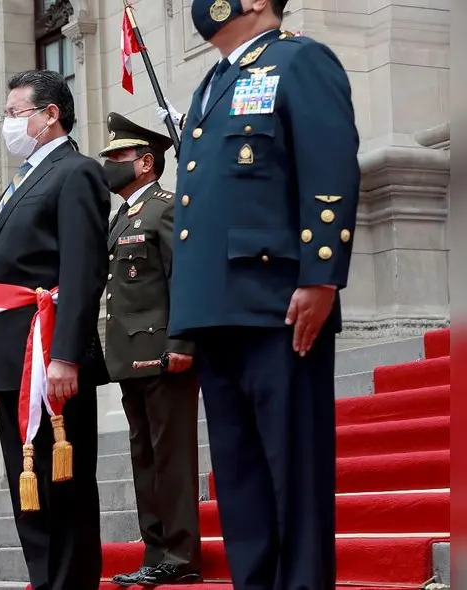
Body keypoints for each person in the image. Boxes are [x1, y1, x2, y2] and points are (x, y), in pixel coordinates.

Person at [160, 1, 361, 588]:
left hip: (280, 303)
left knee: (294, 476)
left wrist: (320, 276)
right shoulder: (215, 81)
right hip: (217, 310)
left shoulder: (301, 61)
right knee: (241, 481)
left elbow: (330, 169)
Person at [0, 70, 109, 590]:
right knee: (26, 491)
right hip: (14, 358)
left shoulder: (74, 172)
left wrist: (67, 355)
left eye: (16, 113)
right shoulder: (21, 180)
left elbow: (81, 269)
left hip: (51, 353)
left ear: (51, 114)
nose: (8, 123)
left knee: (63, 487)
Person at [97, 113, 202, 587]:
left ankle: (179, 555)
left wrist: (183, 342)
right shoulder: (122, 216)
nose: (109, 164)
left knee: (170, 455)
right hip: (129, 356)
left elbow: (185, 277)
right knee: (145, 456)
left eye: (118, 156)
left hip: (163, 352)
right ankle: (155, 548)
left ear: (145, 162)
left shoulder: (165, 206)